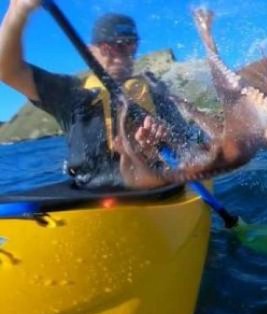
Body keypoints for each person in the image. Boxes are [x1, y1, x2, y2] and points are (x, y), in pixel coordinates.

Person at [0, 0, 190, 190]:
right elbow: (8, 70)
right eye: (109, 46)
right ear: (91, 51)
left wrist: (159, 143)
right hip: (91, 192)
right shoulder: (70, 92)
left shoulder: (156, 93)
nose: (119, 52)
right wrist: (18, 11)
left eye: (127, 44)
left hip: (155, 188)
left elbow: (189, 148)